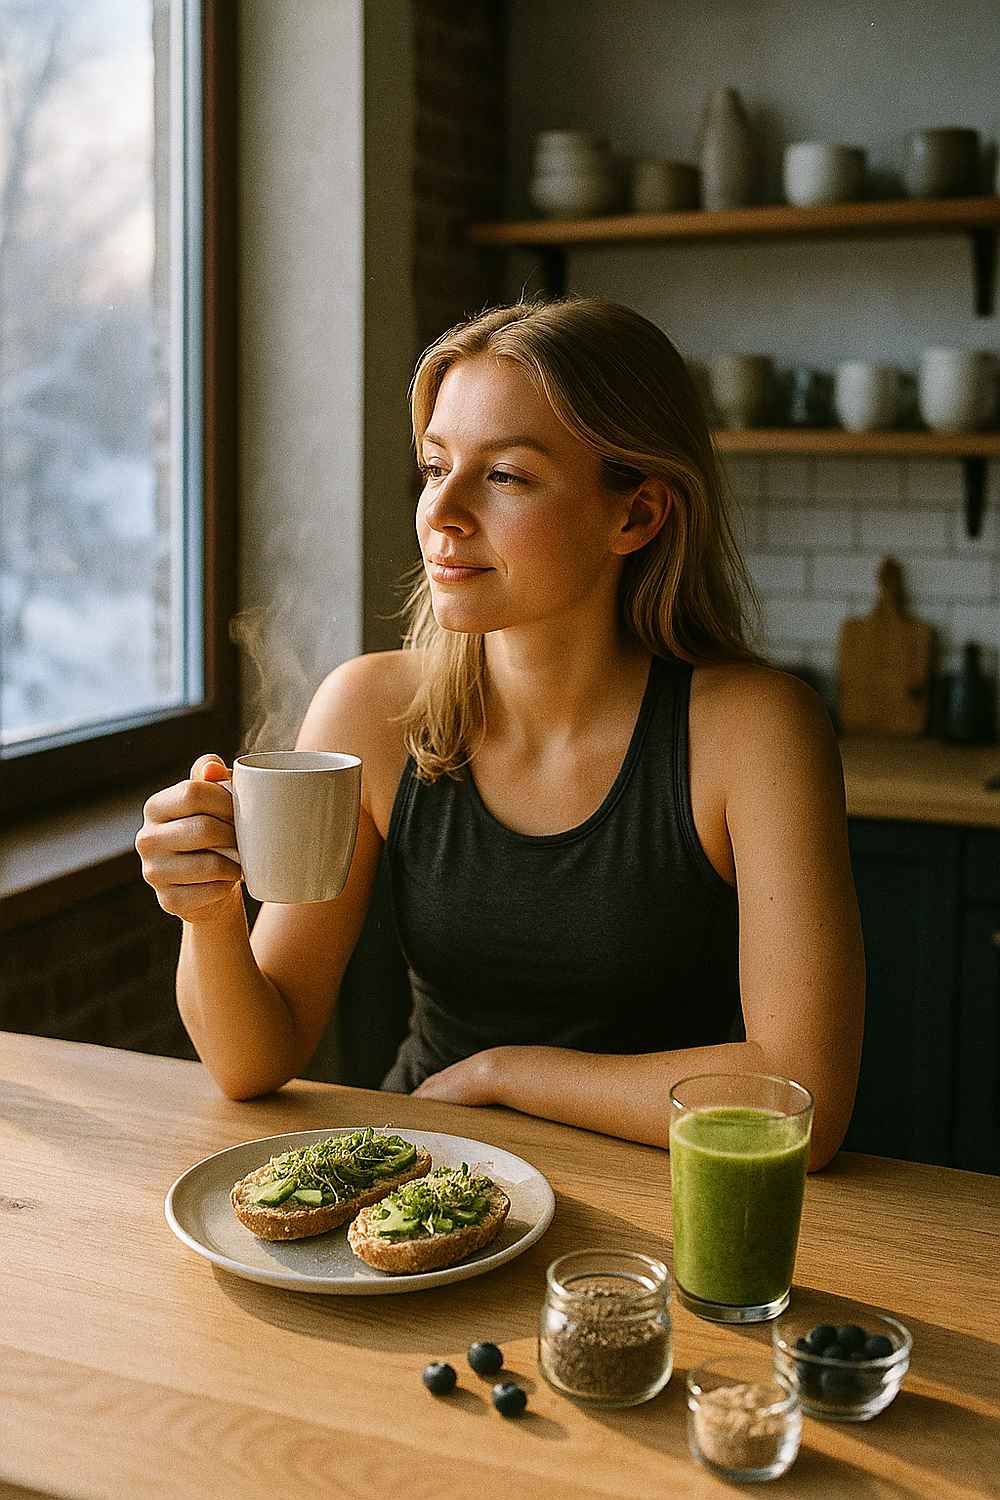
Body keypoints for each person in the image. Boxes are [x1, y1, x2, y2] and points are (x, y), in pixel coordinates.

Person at [136, 295, 865, 1170]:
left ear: (635, 516)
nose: (440, 510)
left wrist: (510, 1074)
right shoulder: (371, 713)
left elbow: (804, 1098)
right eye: (435, 464)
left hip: (669, 1193)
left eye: (506, 475)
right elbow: (252, 1061)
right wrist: (209, 912)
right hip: (423, 1176)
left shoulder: (754, 731)